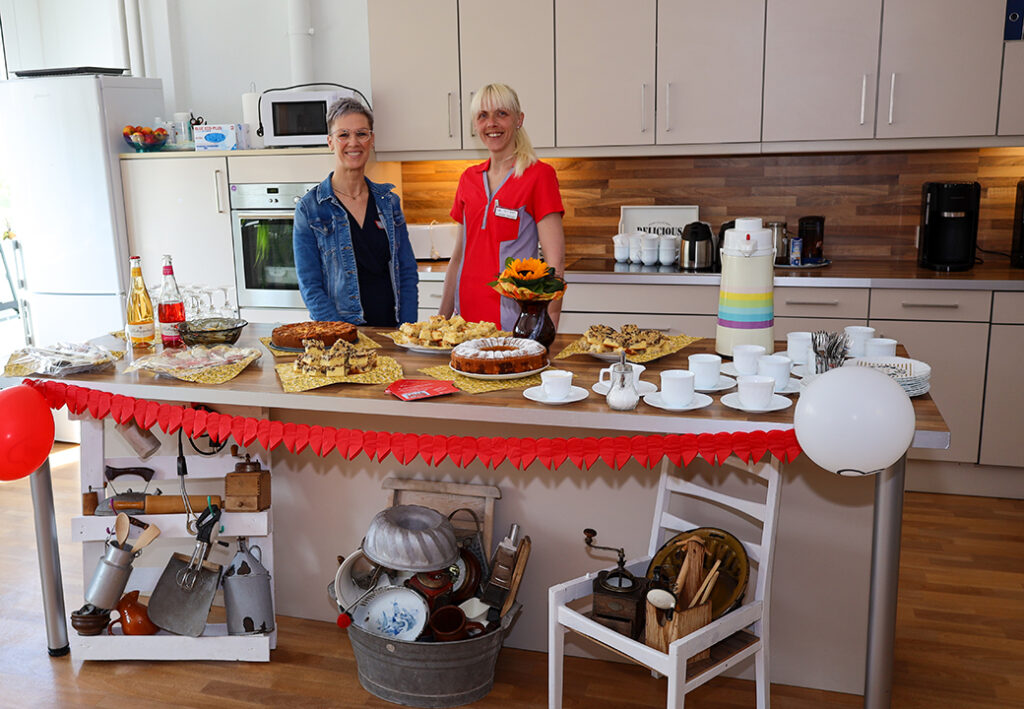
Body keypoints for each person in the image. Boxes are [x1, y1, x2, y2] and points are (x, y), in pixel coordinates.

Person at [439, 83, 565, 330]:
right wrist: (440, 323)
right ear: (475, 125)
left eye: (502, 114)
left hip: (513, 325)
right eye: (483, 116)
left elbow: (555, 264)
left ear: (519, 120)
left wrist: (546, 328)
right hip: (464, 324)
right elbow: (458, 257)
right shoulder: (468, 179)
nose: (492, 123)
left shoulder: (539, 176)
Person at [293, 97, 418, 326]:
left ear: (372, 140)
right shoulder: (310, 209)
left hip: (392, 333)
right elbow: (311, 287)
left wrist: (407, 330)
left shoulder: (388, 203)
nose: (353, 142)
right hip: (341, 338)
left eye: (361, 133)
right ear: (330, 142)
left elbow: (407, 273)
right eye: (343, 135)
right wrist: (343, 336)